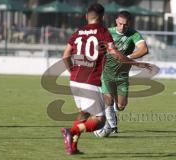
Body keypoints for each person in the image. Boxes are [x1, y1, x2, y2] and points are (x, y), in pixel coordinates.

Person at [61, 3, 154, 155]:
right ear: (103, 18)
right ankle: (71, 131)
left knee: (84, 114)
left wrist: (73, 72)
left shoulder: (78, 32)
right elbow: (114, 53)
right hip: (90, 81)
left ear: (86, 16)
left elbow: (65, 55)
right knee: (100, 121)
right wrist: (136, 63)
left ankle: (72, 146)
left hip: (75, 80)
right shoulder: (103, 32)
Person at [100, 11, 149, 134]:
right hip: (106, 73)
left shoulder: (133, 34)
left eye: (125, 25)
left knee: (121, 106)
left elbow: (144, 49)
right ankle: (112, 126)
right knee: (108, 101)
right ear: (116, 20)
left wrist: (126, 57)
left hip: (122, 76)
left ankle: (114, 115)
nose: (122, 27)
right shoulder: (107, 32)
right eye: (120, 24)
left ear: (129, 24)